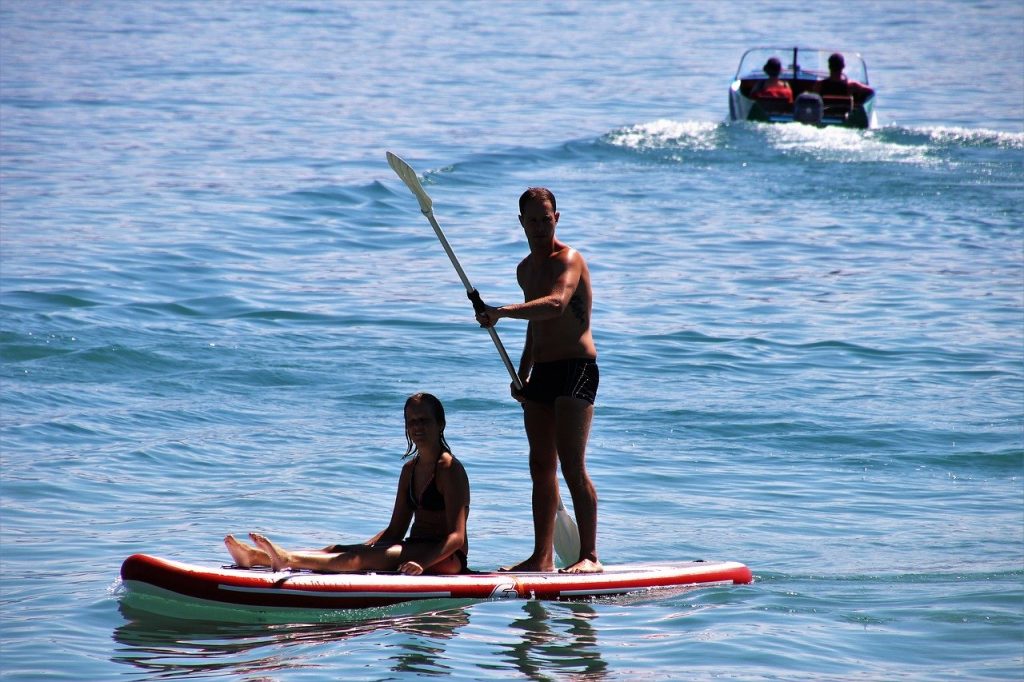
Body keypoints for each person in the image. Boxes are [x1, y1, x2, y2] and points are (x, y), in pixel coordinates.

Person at [474, 187, 602, 574]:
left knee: (572, 467)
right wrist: (523, 370)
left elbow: (557, 304)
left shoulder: (570, 259)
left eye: (546, 219)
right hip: (542, 373)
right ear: (521, 223)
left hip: (575, 370)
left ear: (556, 218)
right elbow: (536, 326)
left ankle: (590, 557)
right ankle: (541, 556)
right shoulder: (525, 269)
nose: (540, 226)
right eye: (533, 220)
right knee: (540, 468)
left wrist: (500, 312)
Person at [224, 393, 470, 575]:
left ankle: (286, 558)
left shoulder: (449, 469)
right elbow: (396, 530)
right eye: (411, 421)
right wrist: (364, 547)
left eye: (424, 420)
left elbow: (457, 537)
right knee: (336, 549)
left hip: (445, 558)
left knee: (354, 559)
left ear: (440, 424)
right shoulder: (410, 470)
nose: (417, 427)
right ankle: (256, 557)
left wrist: (422, 564)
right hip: (414, 548)